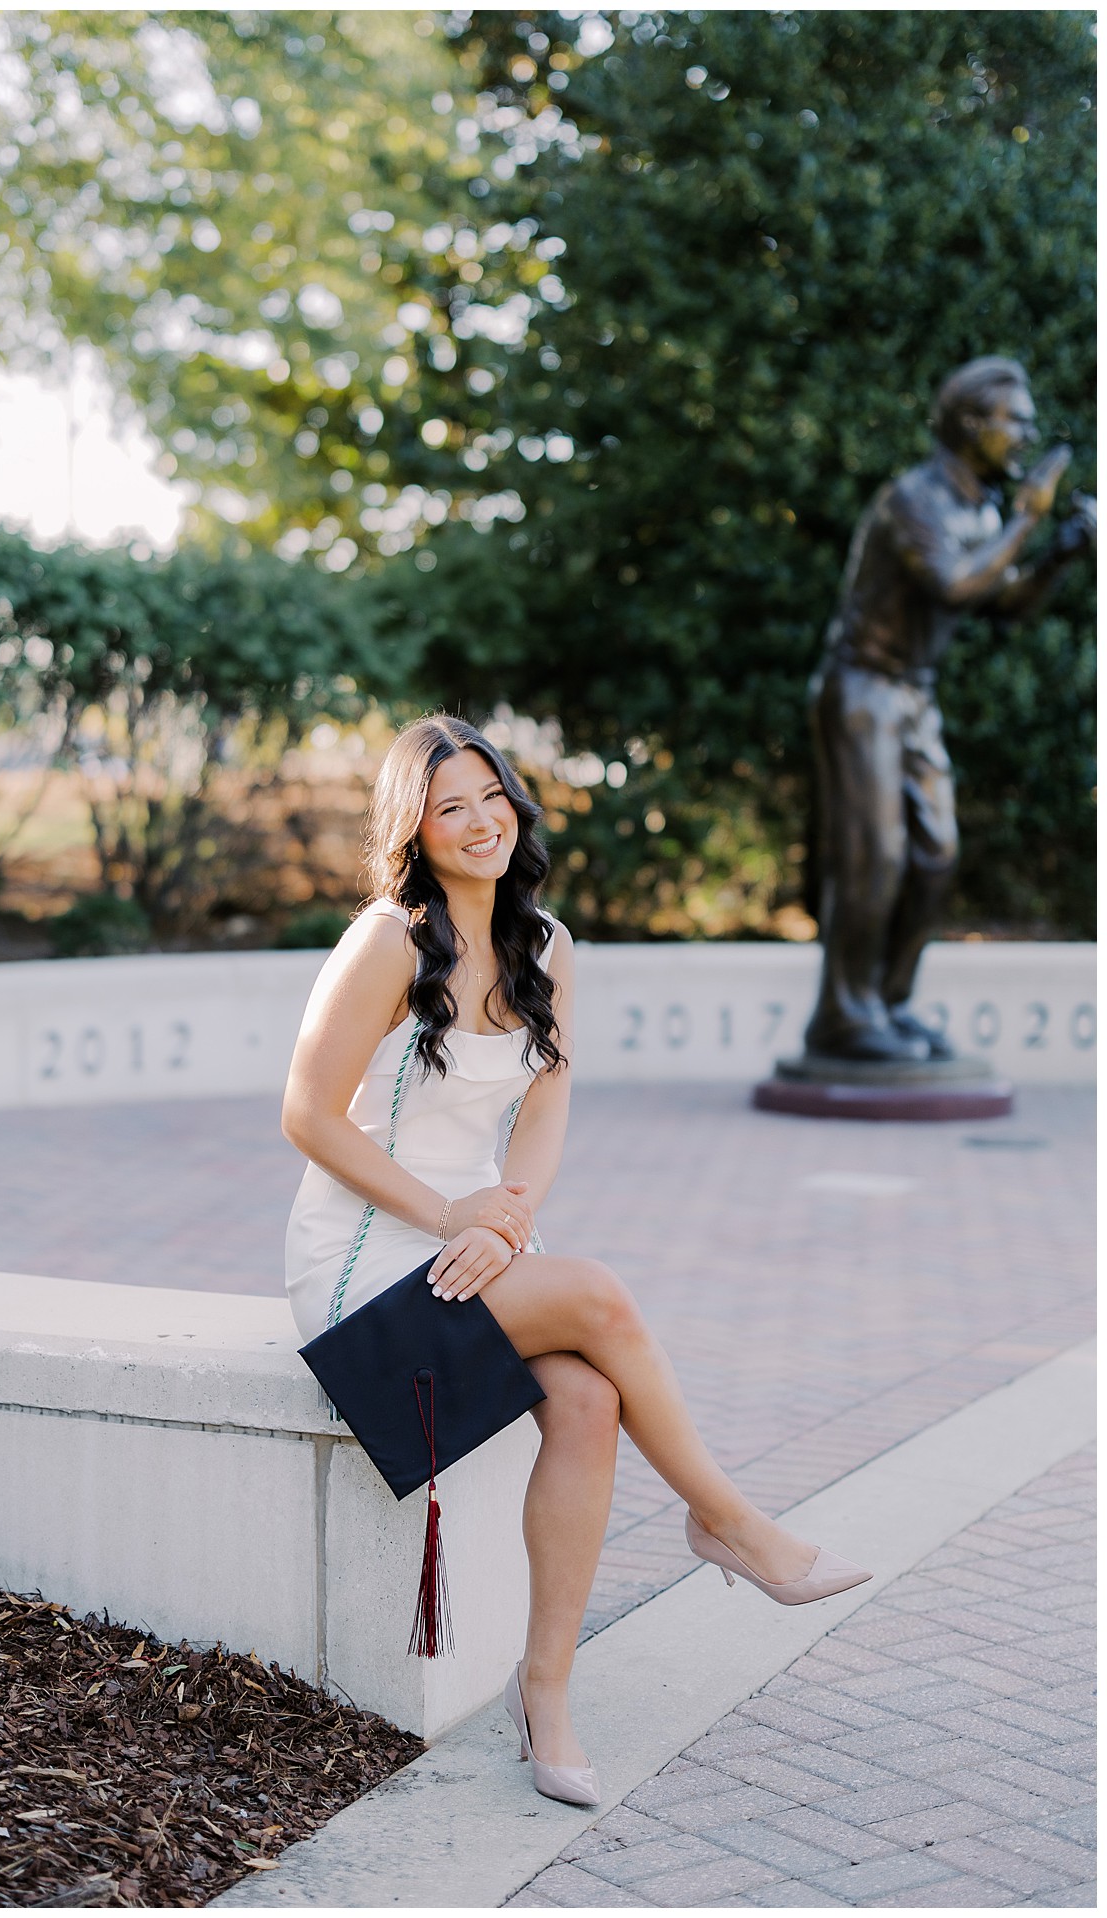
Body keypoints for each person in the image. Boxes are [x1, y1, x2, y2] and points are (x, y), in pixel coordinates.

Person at [279, 715, 868, 1809]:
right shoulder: (385, 942)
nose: (477, 821)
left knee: (591, 1401)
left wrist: (501, 1220)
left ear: (516, 804)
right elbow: (307, 1115)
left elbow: (545, 1111)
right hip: (365, 1259)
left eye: (490, 796)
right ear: (412, 827)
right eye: (448, 805)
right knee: (598, 1294)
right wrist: (449, 1207)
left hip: (478, 1246)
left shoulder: (545, 945)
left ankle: (544, 1695)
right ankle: (728, 1522)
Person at [804, 356, 1094, 1062]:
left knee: (935, 856)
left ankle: (887, 1005)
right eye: (1013, 420)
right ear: (971, 424)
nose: (1026, 433)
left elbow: (1002, 602)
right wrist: (1029, 521)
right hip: (863, 688)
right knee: (876, 859)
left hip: (914, 695)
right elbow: (956, 583)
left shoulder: (982, 508)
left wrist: (1058, 555)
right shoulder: (917, 499)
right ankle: (843, 1015)